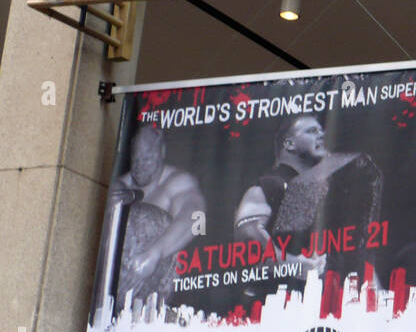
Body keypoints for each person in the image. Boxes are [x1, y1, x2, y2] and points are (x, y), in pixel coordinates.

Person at [234, 115, 379, 280]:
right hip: (281, 298)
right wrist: (293, 265)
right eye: (312, 131)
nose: (322, 135)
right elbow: (248, 240)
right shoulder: (269, 185)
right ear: (289, 144)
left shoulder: (326, 192)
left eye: (321, 130)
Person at [110, 124, 206, 305]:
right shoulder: (120, 184)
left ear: (161, 151)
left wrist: (154, 253)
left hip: (159, 293)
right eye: (135, 159)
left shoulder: (178, 182)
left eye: (146, 159)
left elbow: (198, 222)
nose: (139, 167)